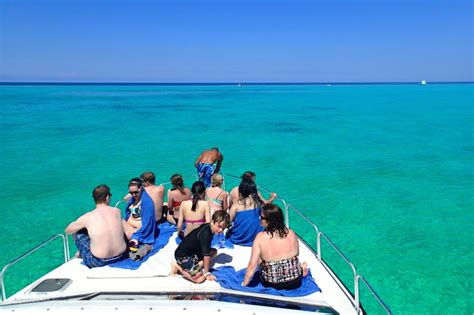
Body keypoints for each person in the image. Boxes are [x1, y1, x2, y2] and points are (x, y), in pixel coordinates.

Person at [242, 203, 308, 289]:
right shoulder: (291, 233)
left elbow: (252, 265)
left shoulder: (260, 237)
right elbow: (297, 253)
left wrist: (244, 285)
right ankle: (302, 268)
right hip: (295, 282)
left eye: (262, 217)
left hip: (272, 284)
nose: (259, 218)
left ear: (270, 220)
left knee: (259, 258)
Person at [65, 185, 127, 268]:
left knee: (78, 232)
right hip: (121, 256)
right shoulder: (117, 211)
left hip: (98, 261)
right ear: (107, 197)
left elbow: (68, 230)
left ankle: (81, 253)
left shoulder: (87, 217)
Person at [171, 210, 230, 284]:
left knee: (214, 252)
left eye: (223, 228)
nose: (221, 230)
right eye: (219, 226)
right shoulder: (206, 233)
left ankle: (194, 266)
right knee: (200, 279)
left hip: (194, 252)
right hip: (183, 256)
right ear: (212, 222)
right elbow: (206, 255)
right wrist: (206, 273)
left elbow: (207, 252)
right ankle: (178, 266)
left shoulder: (209, 227)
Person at [227, 180, 264, 246]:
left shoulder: (236, 205)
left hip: (239, 238)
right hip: (255, 238)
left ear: (241, 192)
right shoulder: (258, 203)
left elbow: (228, 221)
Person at [122, 178, 157, 247]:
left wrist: (136, 238)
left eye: (135, 192)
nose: (133, 195)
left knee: (118, 219)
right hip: (130, 227)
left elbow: (147, 223)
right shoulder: (132, 199)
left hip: (138, 231)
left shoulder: (146, 203)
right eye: (131, 193)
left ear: (140, 189)